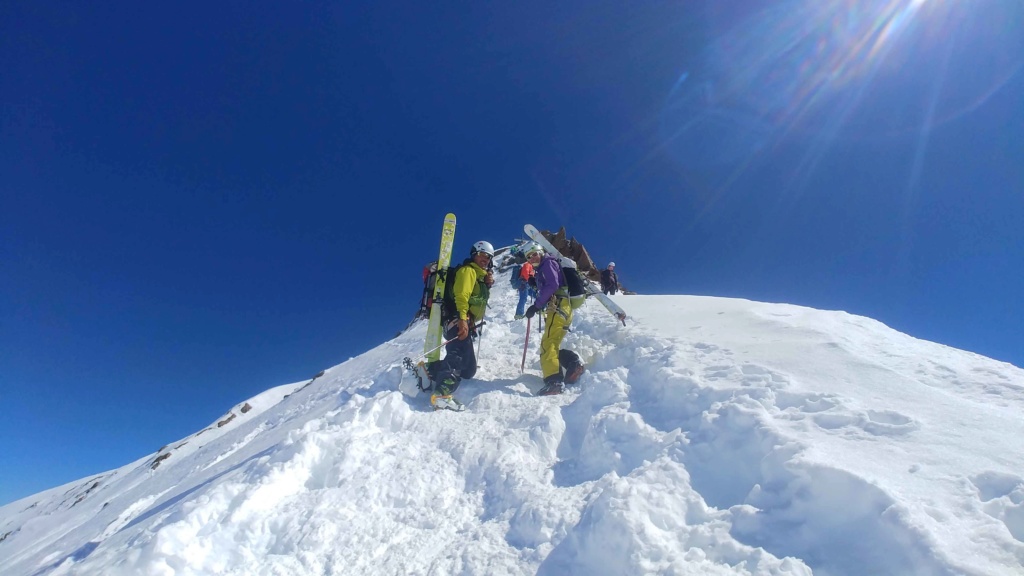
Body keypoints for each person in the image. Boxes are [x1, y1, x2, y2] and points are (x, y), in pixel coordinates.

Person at [427, 240, 495, 407]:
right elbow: (461, 296)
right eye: (482, 255)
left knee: (469, 370)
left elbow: (476, 298)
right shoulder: (468, 271)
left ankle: (431, 371)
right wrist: (462, 319)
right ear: (474, 255)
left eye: (488, 257)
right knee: (456, 352)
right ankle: (442, 392)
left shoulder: (479, 276)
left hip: (467, 321)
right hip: (458, 318)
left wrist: (486, 284)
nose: (485, 259)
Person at [523, 245, 585, 395]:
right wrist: (536, 283)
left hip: (557, 306)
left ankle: (554, 381)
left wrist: (536, 306)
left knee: (547, 344)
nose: (532, 258)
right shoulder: (547, 266)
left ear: (541, 253)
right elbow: (551, 283)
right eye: (529, 257)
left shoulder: (547, 263)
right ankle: (573, 363)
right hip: (565, 307)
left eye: (535, 254)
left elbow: (552, 284)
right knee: (553, 344)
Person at [512, 243, 538, 320]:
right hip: (524, 283)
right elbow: (525, 273)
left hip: (527, 283)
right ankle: (518, 315)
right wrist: (530, 280)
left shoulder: (531, 266)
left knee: (535, 295)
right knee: (523, 298)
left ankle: (541, 307)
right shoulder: (527, 264)